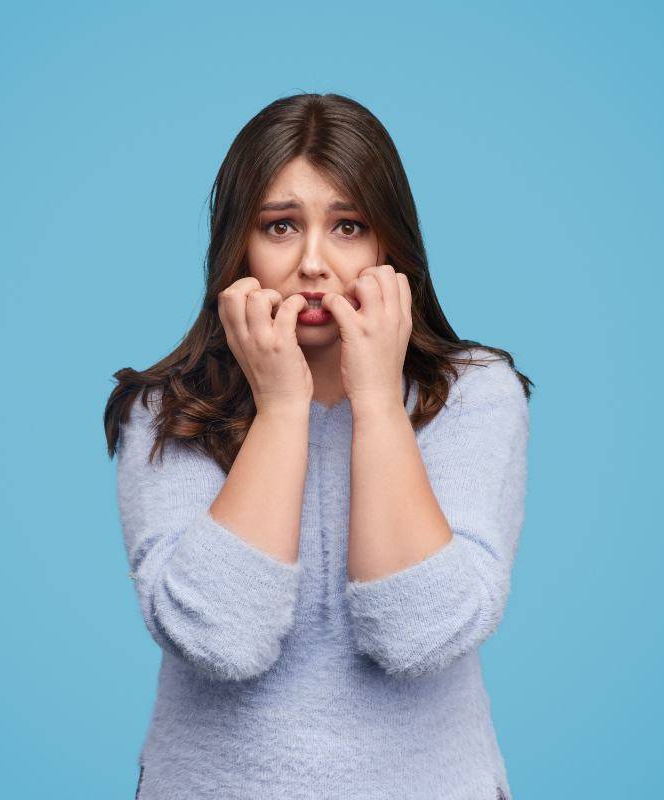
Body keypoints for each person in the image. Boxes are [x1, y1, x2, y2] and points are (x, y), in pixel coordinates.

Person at [103, 92, 533, 800]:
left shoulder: (475, 394)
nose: (313, 263)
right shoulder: (165, 411)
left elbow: (420, 637)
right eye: (280, 226)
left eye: (348, 226)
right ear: (239, 244)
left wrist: (378, 403)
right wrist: (281, 410)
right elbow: (220, 641)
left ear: (388, 244)